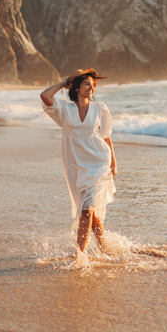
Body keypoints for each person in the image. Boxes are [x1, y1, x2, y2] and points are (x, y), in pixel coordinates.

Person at [40, 68, 117, 263]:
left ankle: (79, 255)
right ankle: (104, 246)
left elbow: (106, 135)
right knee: (89, 211)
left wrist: (113, 162)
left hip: (99, 163)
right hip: (77, 166)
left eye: (93, 85)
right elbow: (45, 96)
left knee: (86, 209)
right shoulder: (65, 110)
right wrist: (63, 83)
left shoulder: (100, 108)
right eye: (87, 84)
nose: (91, 88)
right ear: (76, 87)